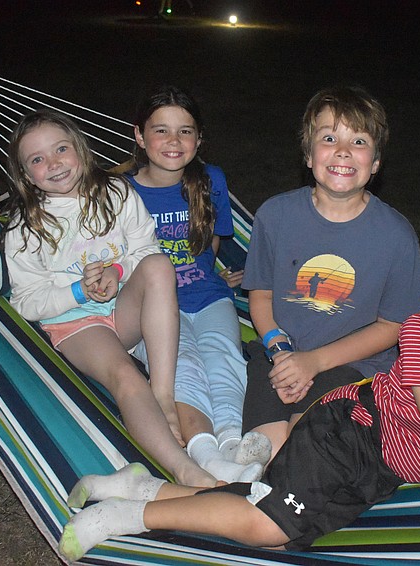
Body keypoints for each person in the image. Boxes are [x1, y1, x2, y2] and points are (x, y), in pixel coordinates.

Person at [57, 201, 420, 561]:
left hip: (385, 467)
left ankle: (140, 489)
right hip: (354, 431)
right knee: (267, 527)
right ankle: (127, 518)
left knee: (275, 517)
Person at [0, 108, 216, 488]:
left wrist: (117, 275)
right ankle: (184, 471)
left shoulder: (117, 193)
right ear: (24, 174)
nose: (53, 163)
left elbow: (145, 248)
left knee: (158, 264)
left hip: (121, 310)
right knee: (125, 375)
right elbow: (27, 302)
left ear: (81, 150)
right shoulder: (27, 226)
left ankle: (163, 393)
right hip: (77, 323)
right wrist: (78, 291)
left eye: (61, 149)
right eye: (37, 159)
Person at [241, 85, 420, 459]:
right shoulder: (275, 216)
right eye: (329, 138)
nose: (343, 151)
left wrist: (315, 362)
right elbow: (261, 294)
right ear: (309, 155)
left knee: (299, 453)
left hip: (354, 365)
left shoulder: (395, 235)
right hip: (281, 353)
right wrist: (280, 350)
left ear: (375, 163)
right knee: (262, 452)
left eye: (358, 141)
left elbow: (394, 326)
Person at [123, 85, 269, 483]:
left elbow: (214, 240)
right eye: (161, 130)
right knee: (182, 364)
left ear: (199, 138)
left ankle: (231, 443)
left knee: (223, 356)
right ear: (139, 135)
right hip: (151, 308)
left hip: (207, 294)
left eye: (185, 131)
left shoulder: (210, 180)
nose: (174, 141)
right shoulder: (121, 193)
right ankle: (206, 453)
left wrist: (209, 270)